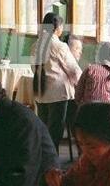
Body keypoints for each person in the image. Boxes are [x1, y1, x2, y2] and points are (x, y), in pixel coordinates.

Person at [32, 13, 82, 149]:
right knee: (55, 129)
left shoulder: (36, 44)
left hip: (40, 90)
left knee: (44, 126)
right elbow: (73, 70)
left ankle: (45, 158)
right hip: (57, 93)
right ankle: (53, 160)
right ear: (57, 27)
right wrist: (82, 84)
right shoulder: (60, 46)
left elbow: (33, 67)